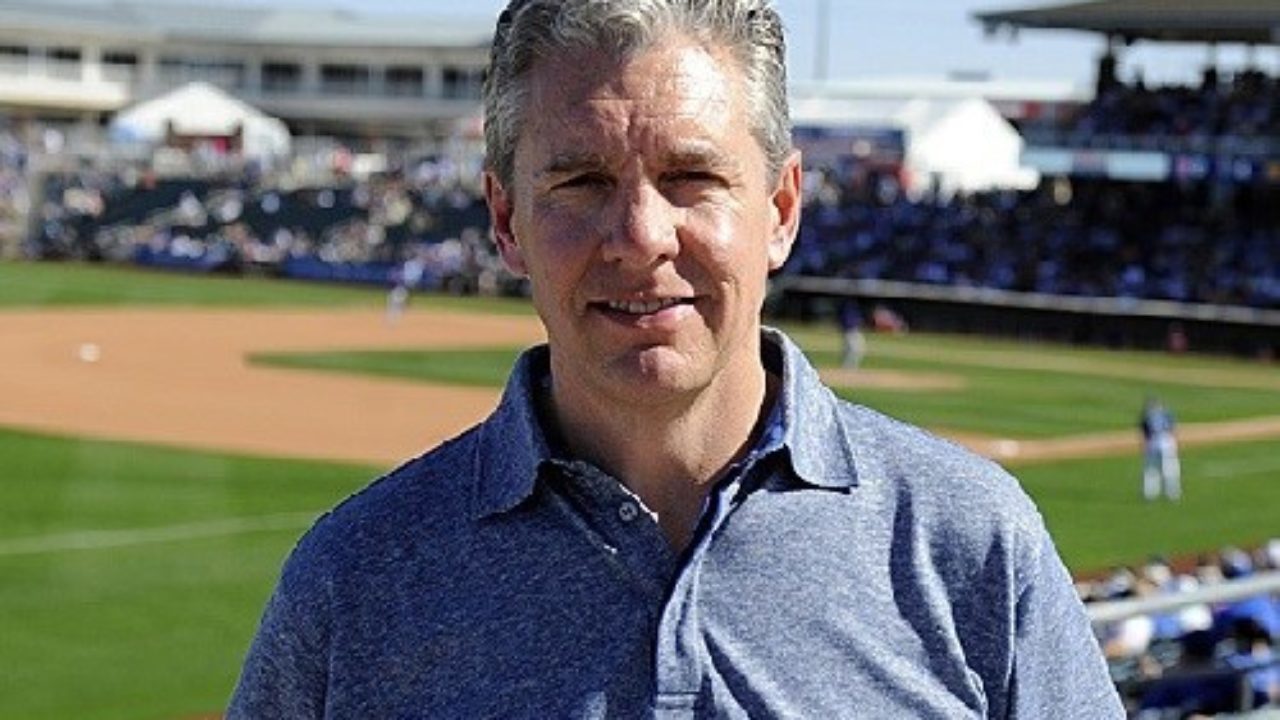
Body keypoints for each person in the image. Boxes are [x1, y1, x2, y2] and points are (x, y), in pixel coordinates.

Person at [228, 1, 1123, 717]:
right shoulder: (357, 579)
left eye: (691, 178)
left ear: (780, 208)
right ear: (506, 221)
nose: (640, 237)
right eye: (581, 183)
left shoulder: (967, 541)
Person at [1140, 396, 1181, 501]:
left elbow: (1145, 434)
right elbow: (1174, 429)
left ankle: (1150, 494)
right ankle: (1173, 493)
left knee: (1151, 470)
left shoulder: (1146, 416)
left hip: (1153, 444)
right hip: (1167, 443)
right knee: (1171, 470)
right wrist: (1174, 443)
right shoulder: (1167, 413)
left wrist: (1145, 446)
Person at [837, 297, 866, 369]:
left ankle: (850, 367)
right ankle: (847, 367)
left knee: (856, 350)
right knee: (852, 350)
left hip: (854, 332)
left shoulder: (852, 311)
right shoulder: (848, 311)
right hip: (850, 332)